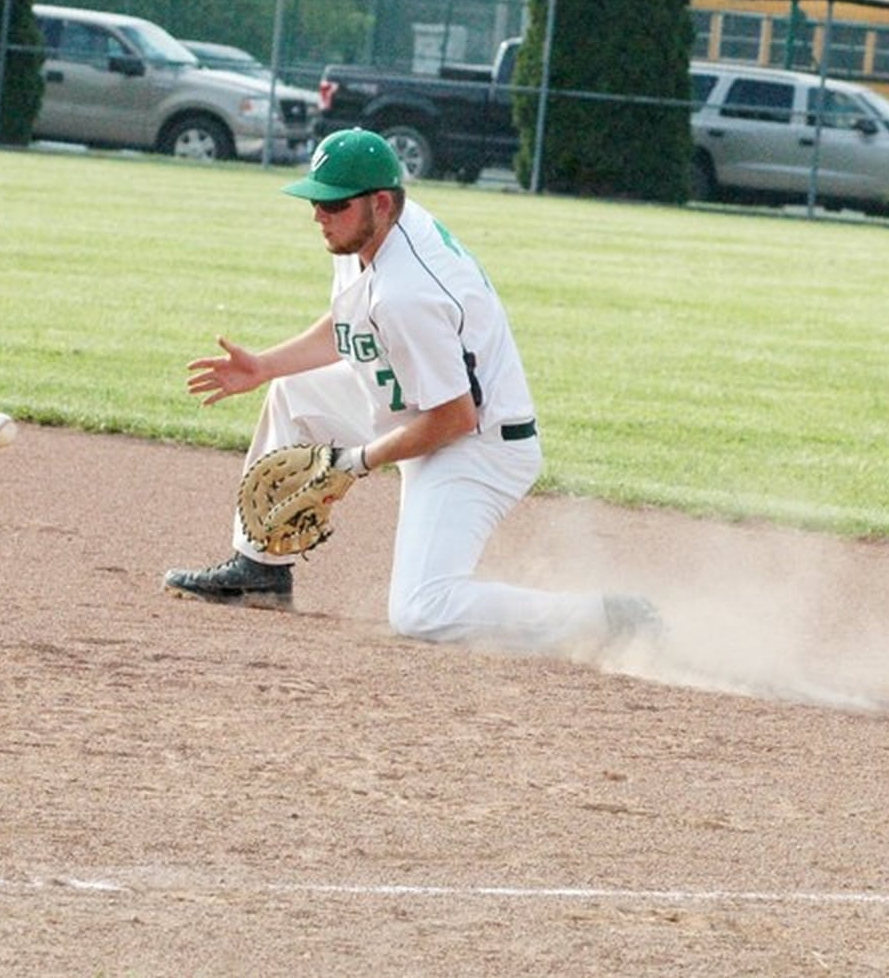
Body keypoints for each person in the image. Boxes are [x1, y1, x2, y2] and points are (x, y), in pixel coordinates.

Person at [164, 128, 662, 656]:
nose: (319, 215)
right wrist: (265, 366)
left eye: (333, 203)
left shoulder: (411, 292)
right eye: (316, 199)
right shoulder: (370, 232)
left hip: (479, 447)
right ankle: (259, 570)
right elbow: (352, 319)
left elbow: (454, 418)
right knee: (293, 395)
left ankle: (604, 618)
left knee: (422, 609)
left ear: (380, 203)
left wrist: (353, 461)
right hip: (411, 404)